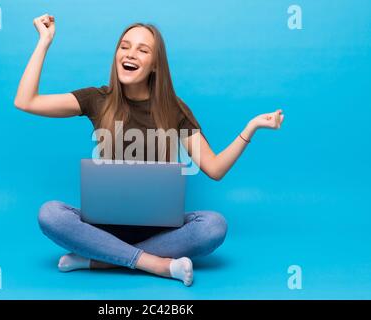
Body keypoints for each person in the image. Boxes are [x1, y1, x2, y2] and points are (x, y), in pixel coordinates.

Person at [14, 14, 285, 286]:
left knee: (214, 225)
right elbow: (26, 101)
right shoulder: (97, 99)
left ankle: (100, 259)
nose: (130, 54)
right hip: (103, 227)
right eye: (124, 46)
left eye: (142, 50)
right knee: (50, 214)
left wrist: (250, 128)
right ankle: (155, 264)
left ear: (155, 65)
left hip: (159, 231)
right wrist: (44, 42)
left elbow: (214, 169)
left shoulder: (173, 109)